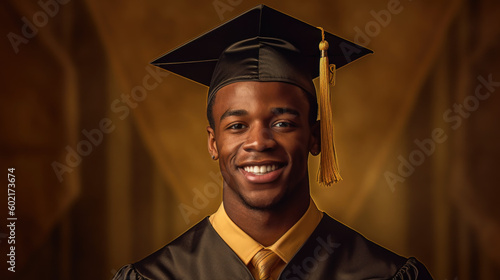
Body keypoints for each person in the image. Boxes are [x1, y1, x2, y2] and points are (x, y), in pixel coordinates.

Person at [113, 5, 433, 280]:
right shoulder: (156, 276)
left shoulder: (383, 274)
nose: (259, 142)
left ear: (315, 136)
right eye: (237, 125)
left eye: (282, 123)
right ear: (213, 143)